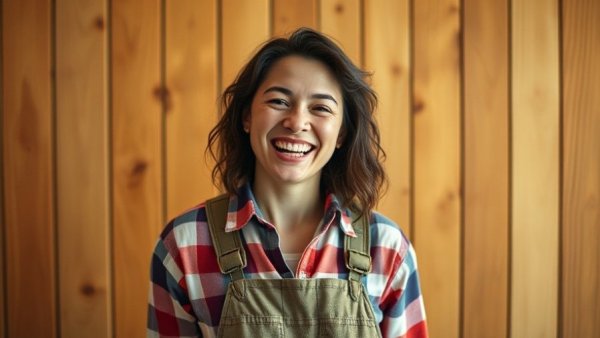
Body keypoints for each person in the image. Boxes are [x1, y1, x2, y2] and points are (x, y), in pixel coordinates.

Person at [147, 28, 427, 338]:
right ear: (246, 117)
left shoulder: (387, 248)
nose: (296, 122)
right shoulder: (183, 245)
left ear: (343, 133)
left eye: (320, 108)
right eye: (279, 101)